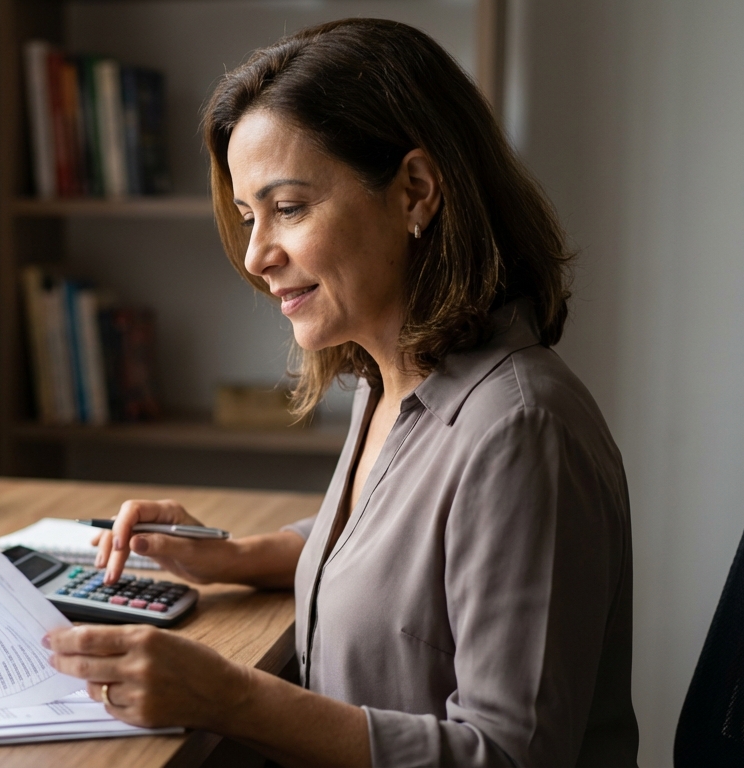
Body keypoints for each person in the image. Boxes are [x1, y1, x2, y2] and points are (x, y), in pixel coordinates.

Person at [43, 18, 639, 767]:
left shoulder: (520, 431)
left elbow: (508, 758)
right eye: (248, 215)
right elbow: (395, 545)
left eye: (287, 207)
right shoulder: (390, 378)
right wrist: (235, 556)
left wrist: (228, 697)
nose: (258, 255)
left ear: (415, 191)